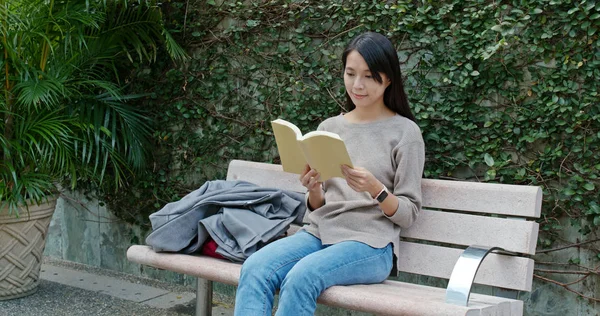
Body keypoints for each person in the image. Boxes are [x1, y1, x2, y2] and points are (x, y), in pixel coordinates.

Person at [234, 31, 425, 316]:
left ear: (388, 79)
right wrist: (313, 191)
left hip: (371, 245)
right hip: (319, 233)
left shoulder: (405, 133)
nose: (357, 85)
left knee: (301, 277)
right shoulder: (329, 128)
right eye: (350, 74)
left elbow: (408, 213)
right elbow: (317, 210)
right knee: (255, 268)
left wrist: (376, 189)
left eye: (369, 76)